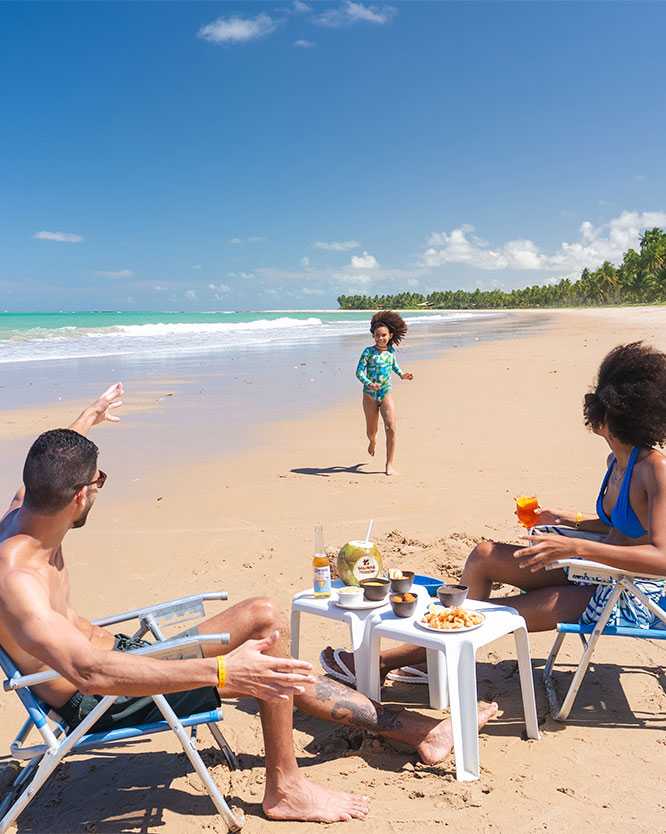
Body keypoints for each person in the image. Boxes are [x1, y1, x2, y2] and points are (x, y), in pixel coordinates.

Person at [0, 384, 497, 825]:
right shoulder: (18, 579)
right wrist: (222, 673)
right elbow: (91, 672)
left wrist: (89, 416)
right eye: (99, 481)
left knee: (262, 614)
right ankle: (287, 787)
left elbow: (44, 464)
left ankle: (419, 731)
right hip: (106, 696)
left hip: (127, 656)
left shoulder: (27, 515)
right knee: (265, 649)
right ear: (81, 495)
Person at [324, 342, 666, 681]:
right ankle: (432, 659)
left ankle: (382, 662)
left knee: (498, 613)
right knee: (484, 555)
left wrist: (576, 546)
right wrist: (567, 521)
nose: (592, 409)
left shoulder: (654, 470)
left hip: (629, 592)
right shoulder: (616, 461)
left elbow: (662, 557)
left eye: (599, 402)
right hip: (592, 569)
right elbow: (625, 527)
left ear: (615, 414)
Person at [355, 311, 413, 476]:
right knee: (371, 431)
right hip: (369, 396)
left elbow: (394, 367)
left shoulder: (391, 352)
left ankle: (389, 464)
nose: (380, 338)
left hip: (385, 393)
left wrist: (402, 375)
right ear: (373, 336)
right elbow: (359, 373)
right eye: (377, 336)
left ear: (390, 335)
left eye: (383, 335)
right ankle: (372, 441)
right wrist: (368, 383)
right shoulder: (368, 352)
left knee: (391, 428)